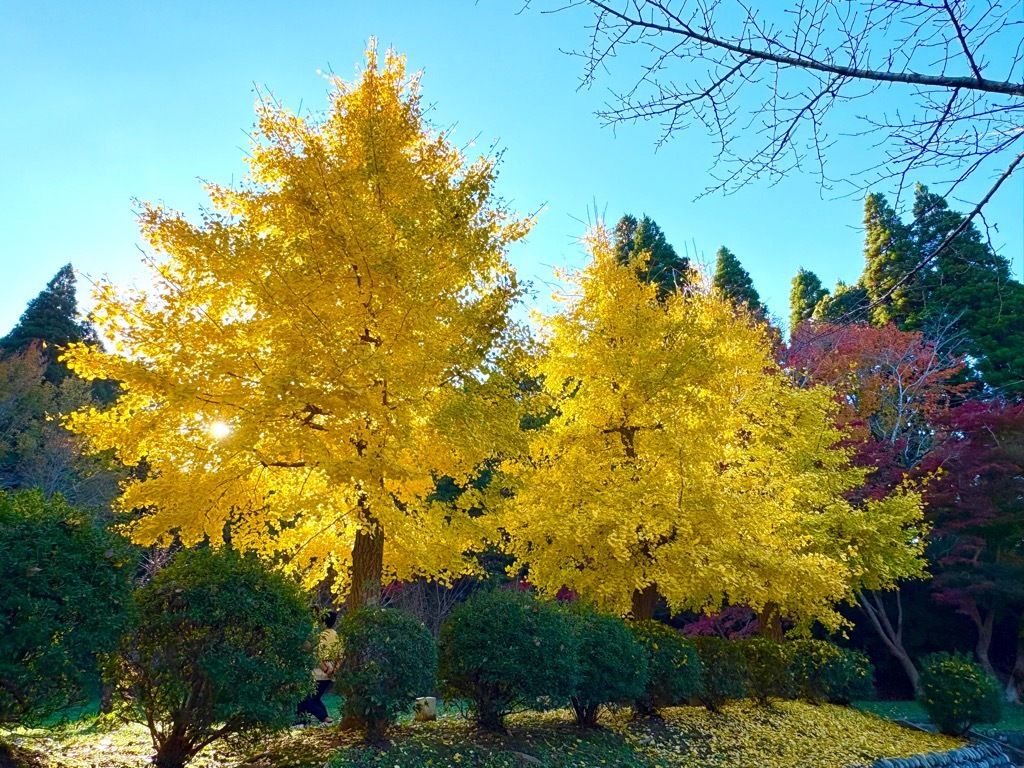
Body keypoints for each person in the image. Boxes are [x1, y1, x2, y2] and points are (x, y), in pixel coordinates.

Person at [296, 610, 339, 726]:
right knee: (314, 699)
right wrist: (334, 670)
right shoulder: (337, 636)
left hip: (318, 674)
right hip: (330, 674)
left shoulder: (320, 637)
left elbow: (316, 655)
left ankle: (325, 719)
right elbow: (342, 656)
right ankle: (316, 721)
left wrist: (325, 669)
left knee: (306, 700)